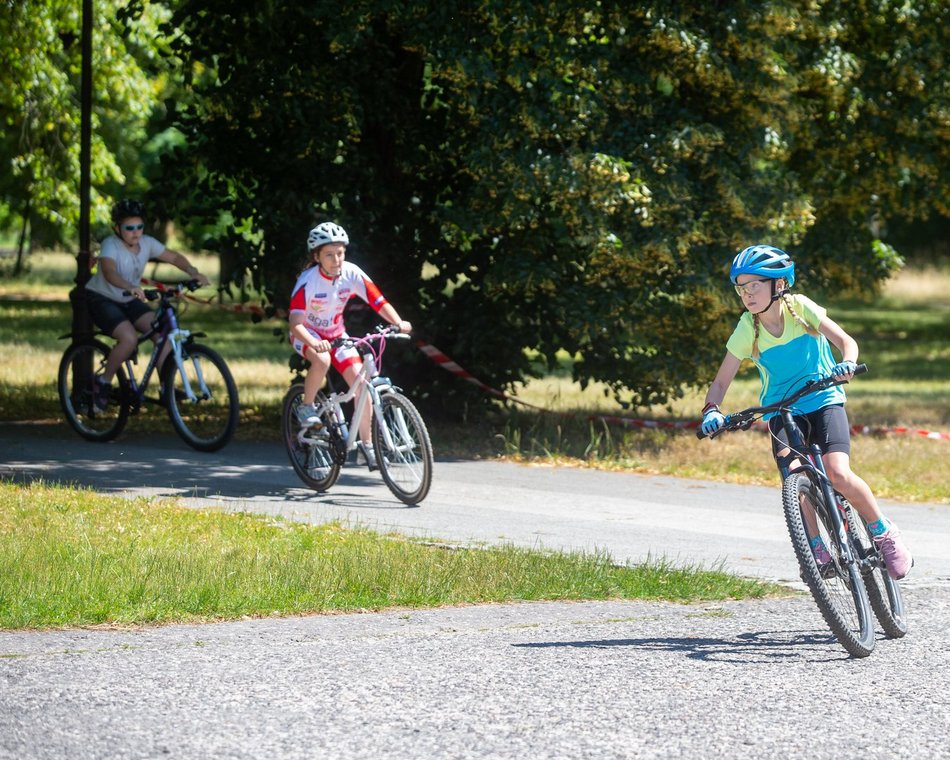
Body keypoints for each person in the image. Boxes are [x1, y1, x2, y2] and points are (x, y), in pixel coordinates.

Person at [699, 244, 912, 580]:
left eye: (754, 285)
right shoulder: (747, 329)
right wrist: (712, 409)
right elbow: (721, 382)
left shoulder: (800, 308)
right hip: (781, 411)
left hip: (823, 398)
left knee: (837, 472)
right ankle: (815, 546)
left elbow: (846, 342)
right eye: (741, 288)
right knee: (792, 473)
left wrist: (847, 364)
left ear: (779, 284)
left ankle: (883, 531)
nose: (747, 294)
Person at [288, 221, 412, 470]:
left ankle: (367, 446)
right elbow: (295, 324)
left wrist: (398, 322)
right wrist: (314, 343)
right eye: (329, 255)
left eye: (340, 253)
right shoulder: (307, 281)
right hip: (307, 335)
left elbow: (378, 301)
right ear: (317, 257)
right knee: (321, 360)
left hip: (336, 334)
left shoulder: (352, 273)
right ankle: (306, 406)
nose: (336, 260)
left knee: (361, 382)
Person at [85, 199, 210, 409]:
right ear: (117, 228)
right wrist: (130, 286)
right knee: (128, 339)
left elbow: (173, 256)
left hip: (129, 299)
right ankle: (102, 383)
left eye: (139, 227)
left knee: (163, 335)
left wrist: (193, 272)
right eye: (129, 228)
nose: (136, 232)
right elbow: (108, 271)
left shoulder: (147, 243)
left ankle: (166, 388)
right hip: (102, 298)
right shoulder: (110, 245)